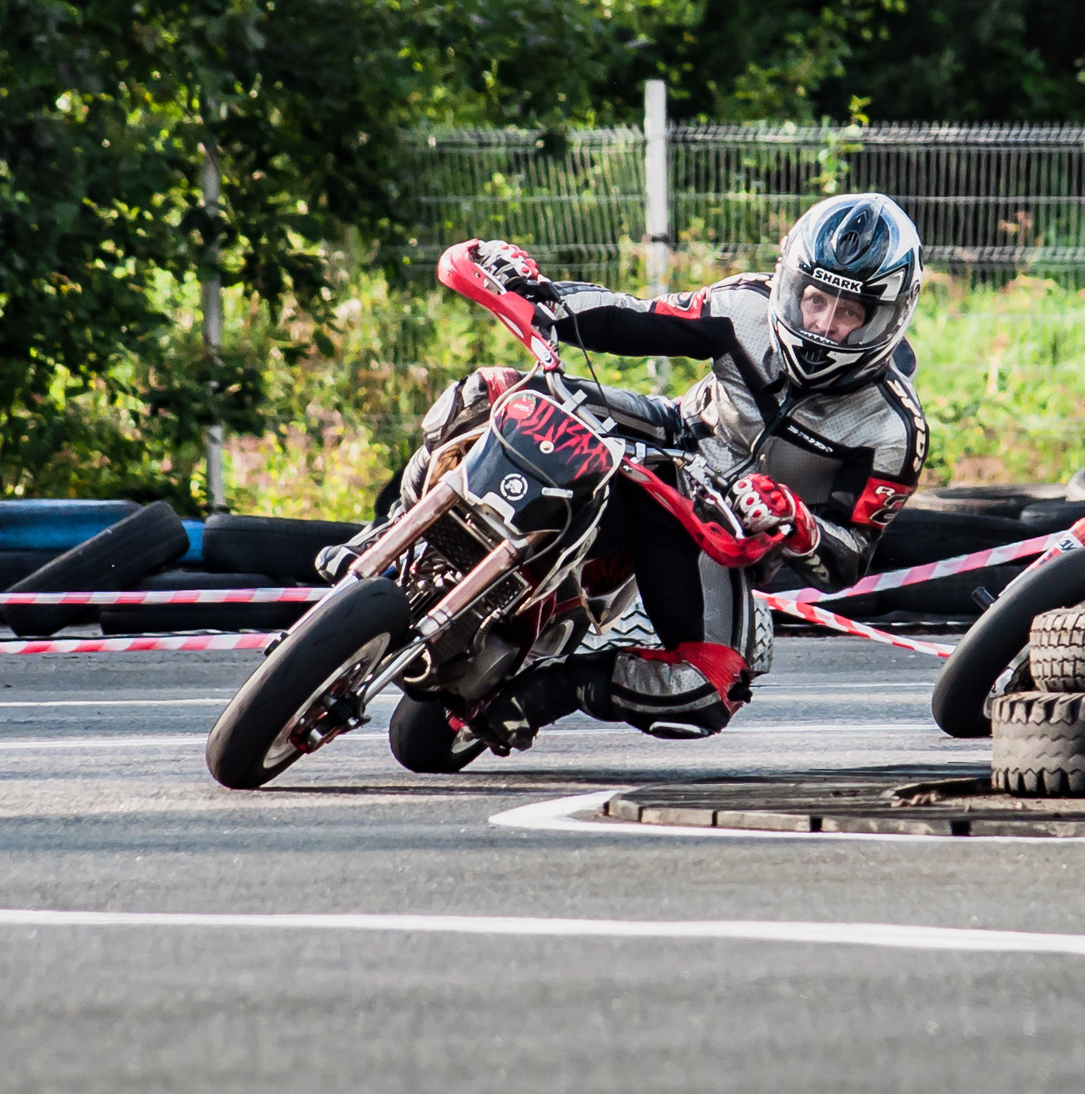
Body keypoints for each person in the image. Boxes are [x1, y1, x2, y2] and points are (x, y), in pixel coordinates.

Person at [398, 191, 930, 745]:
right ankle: (397, 535)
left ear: (887, 319)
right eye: (814, 300)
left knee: (707, 688)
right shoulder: (744, 306)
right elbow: (636, 318)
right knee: (492, 391)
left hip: (722, 531)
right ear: (790, 283)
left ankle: (546, 693)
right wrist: (540, 295)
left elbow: (847, 560)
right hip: (670, 440)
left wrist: (796, 522)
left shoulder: (894, 430)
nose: (823, 325)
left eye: (849, 314)